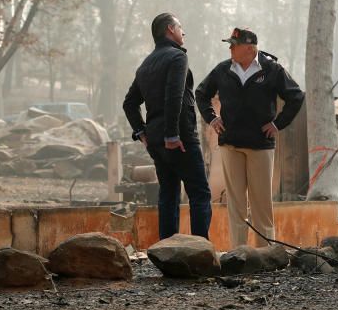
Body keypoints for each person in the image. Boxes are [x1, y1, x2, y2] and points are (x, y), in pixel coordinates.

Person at [195, 28, 304, 248]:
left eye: (233, 45)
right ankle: (239, 252)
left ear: (249, 48)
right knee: (236, 204)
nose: (230, 49)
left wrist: (277, 124)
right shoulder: (223, 69)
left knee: (261, 203)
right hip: (230, 144)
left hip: (260, 146)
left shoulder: (272, 69)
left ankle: (265, 254)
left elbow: (296, 96)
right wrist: (212, 118)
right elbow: (201, 93)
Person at [123, 13, 213, 240]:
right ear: (170, 30)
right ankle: (200, 251)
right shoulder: (177, 58)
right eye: (180, 27)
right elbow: (174, 96)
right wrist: (172, 135)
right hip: (179, 138)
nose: (183, 32)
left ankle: (167, 252)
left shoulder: (145, 64)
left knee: (169, 195)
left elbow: (129, 103)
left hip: (155, 141)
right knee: (200, 194)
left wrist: (142, 132)